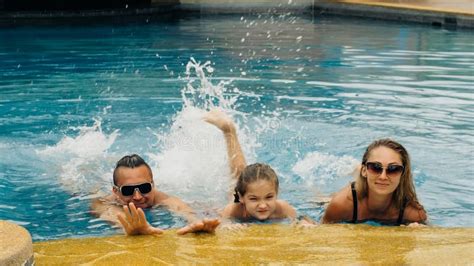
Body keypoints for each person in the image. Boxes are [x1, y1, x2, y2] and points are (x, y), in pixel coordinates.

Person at [91, 154, 220, 235]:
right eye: (128, 190)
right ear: (116, 192)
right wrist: (128, 227)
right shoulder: (104, 203)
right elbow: (112, 216)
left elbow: (182, 209)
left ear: (153, 185)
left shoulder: (162, 198)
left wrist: (197, 222)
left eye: (144, 188)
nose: (138, 197)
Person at [204, 109, 297, 222]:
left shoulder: (284, 209)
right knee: (238, 176)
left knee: (240, 174)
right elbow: (221, 224)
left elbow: (303, 221)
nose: (262, 205)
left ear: (277, 194)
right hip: (237, 199)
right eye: (254, 199)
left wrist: (304, 223)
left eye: (269, 197)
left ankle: (229, 130)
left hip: (246, 191)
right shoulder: (234, 210)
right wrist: (228, 225)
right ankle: (228, 130)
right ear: (242, 198)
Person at [321, 138, 427, 226]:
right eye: (375, 167)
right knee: (323, 201)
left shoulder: (413, 213)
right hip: (351, 196)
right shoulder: (341, 205)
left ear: (403, 174)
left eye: (393, 169)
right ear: (364, 171)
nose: (383, 176)